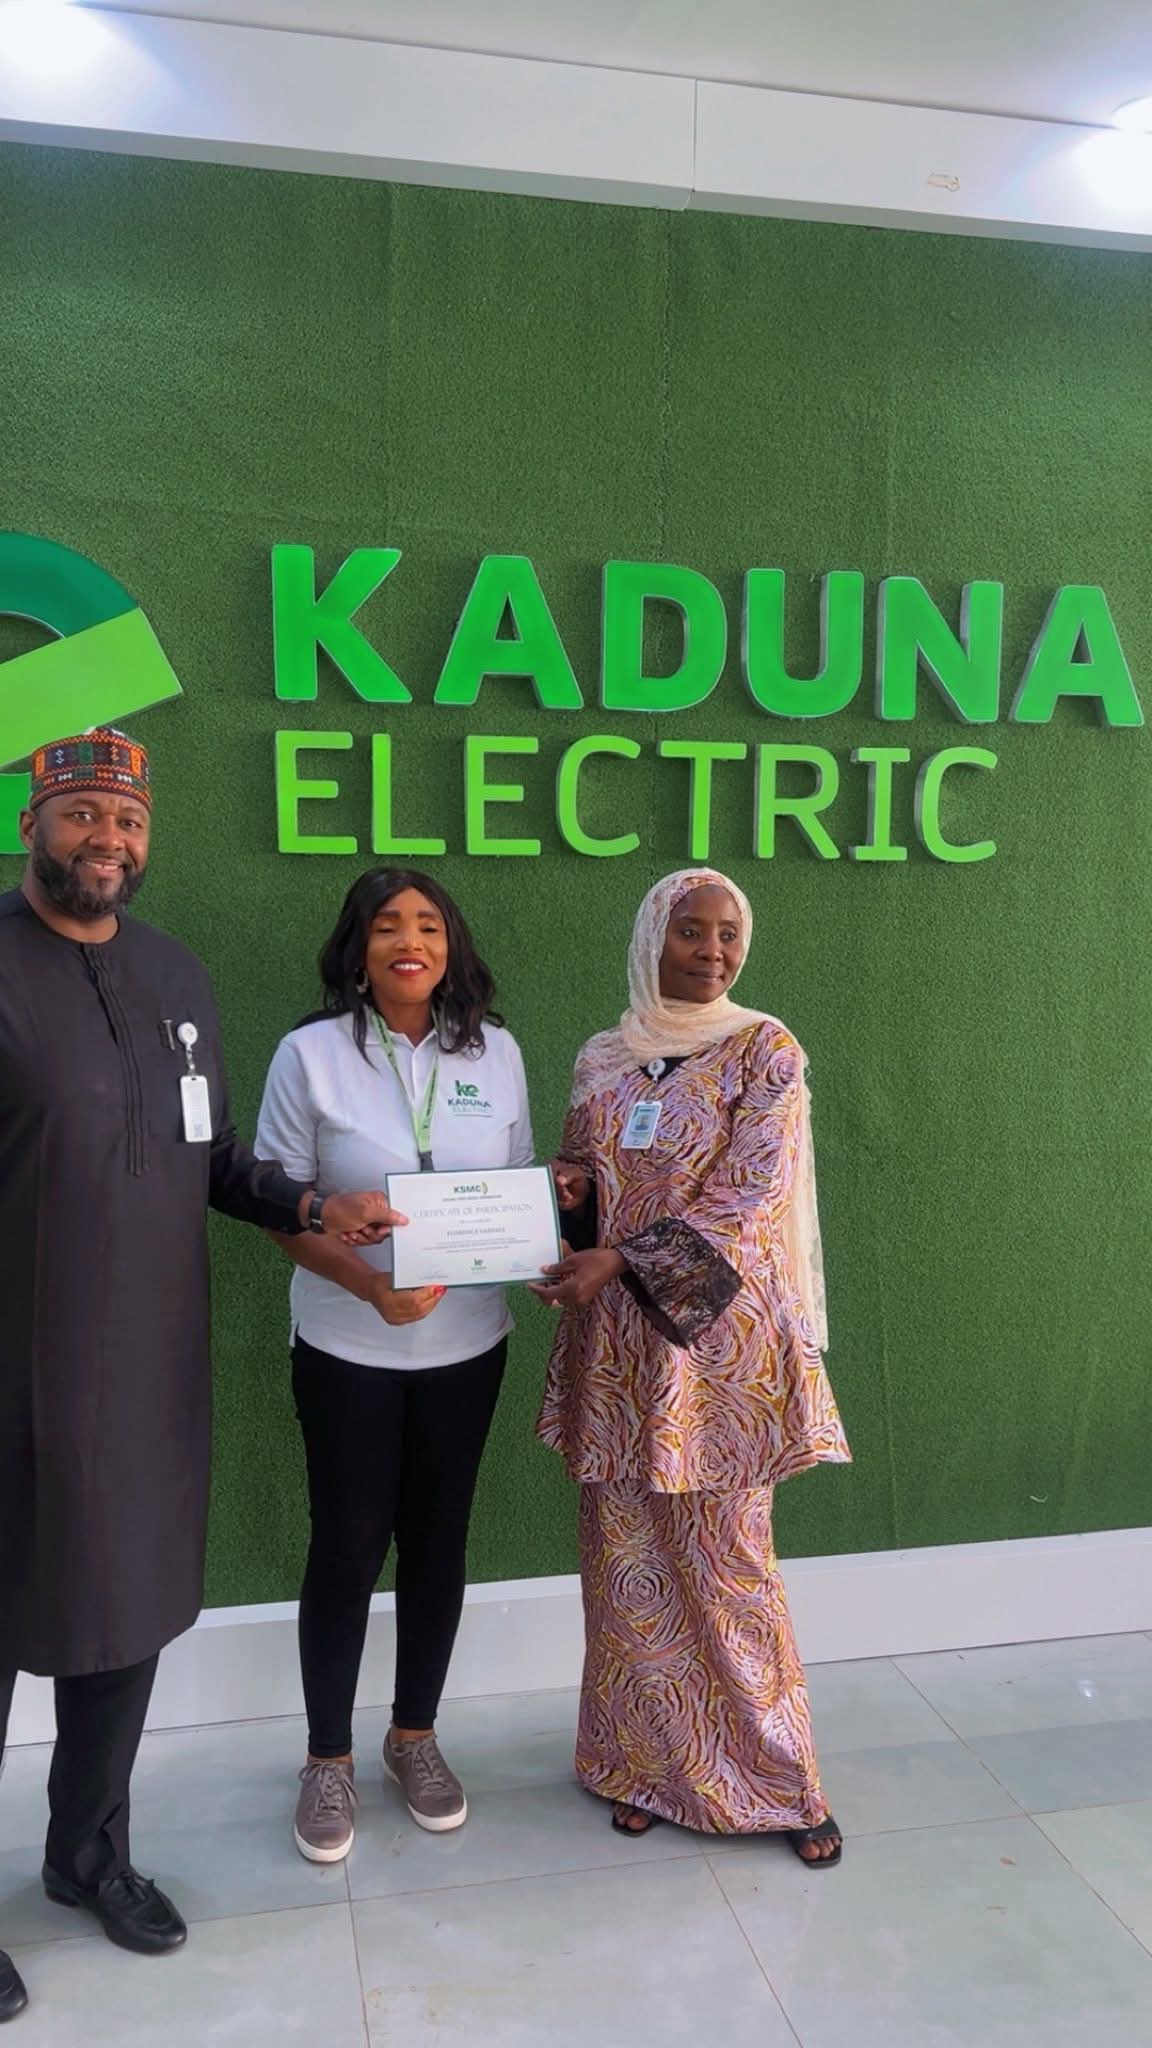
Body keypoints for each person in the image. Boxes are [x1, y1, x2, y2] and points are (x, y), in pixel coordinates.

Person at [0, 729, 401, 2027]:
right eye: (81, 813)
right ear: (32, 821)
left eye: (126, 818)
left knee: (121, 1621)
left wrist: (313, 1204)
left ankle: (87, 1856)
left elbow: (211, 1156)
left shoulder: (177, 977)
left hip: (147, 1377)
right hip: (10, 1381)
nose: (106, 838)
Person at [534, 868, 850, 1860]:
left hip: (717, 1349)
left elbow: (752, 1192)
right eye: (690, 931)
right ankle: (642, 1766)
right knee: (626, 1559)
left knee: (727, 1562)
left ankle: (780, 1783)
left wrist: (620, 1258)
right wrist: (565, 1198)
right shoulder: (603, 1055)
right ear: (651, 939)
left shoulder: (765, 1047)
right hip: (618, 1345)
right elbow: (585, 1171)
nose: (713, 951)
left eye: (728, 933)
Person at [255, 867, 534, 1862]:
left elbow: (513, 1186)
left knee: (439, 1541)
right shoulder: (309, 1054)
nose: (410, 941)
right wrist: (369, 1286)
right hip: (348, 1345)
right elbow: (278, 1205)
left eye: (428, 926)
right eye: (387, 927)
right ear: (358, 949)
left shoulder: (496, 1051)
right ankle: (326, 1756)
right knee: (346, 1545)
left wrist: (535, 1250)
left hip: (469, 1346)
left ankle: (413, 1736)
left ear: (451, 947)